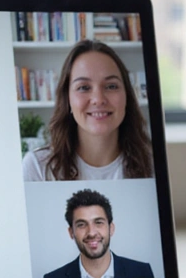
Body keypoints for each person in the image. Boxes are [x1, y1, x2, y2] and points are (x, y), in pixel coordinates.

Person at [22, 40, 153, 181]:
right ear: (68, 99)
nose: (98, 99)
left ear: (127, 95)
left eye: (111, 86)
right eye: (84, 87)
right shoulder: (38, 168)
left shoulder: (153, 163)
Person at [40, 189, 153, 278]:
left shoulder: (142, 273)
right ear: (71, 233)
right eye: (81, 225)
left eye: (98, 222)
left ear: (111, 229)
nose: (91, 233)